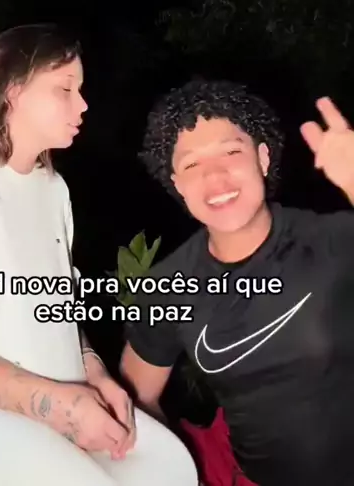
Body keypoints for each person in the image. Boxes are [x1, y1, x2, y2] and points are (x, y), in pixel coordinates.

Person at [0, 24, 197, 486]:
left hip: (50, 416)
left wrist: (94, 373)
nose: (83, 105)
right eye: (65, 89)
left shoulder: (52, 189)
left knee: (171, 465)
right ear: (11, 91)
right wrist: (55, 405)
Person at [120, 76, 354, 486]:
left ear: (262, 158)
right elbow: (135, 399)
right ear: (176, 183)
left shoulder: (331, 242)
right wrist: (171, 468)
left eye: (231, 151)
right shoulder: (169, 288)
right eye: (192, 164)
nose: (215, 176)